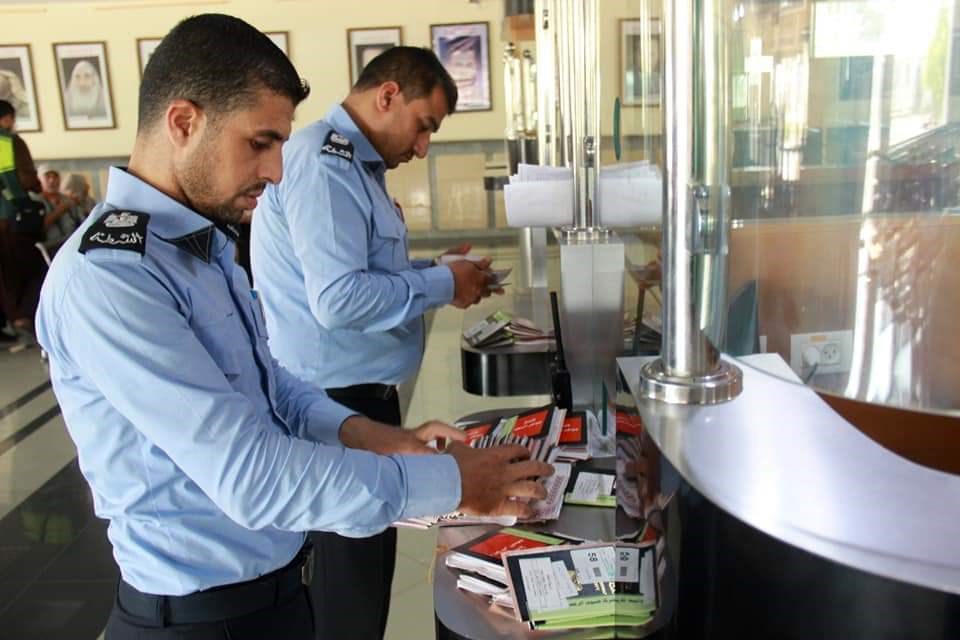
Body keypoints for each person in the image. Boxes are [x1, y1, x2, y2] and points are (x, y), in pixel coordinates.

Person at [35, 15, 551, 640]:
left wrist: (383, 438)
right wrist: (454, 484)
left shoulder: (199, 245)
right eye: (261, 142)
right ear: (184, 123)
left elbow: (273, 385)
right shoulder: (112, 277)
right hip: (199, 619)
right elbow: (252, 478)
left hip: (274, 594)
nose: (278, 170)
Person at [250, 46, 496, 639]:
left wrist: (436, 270)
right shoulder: (324, 162)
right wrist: (442, 284)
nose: (422, 148)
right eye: (423, 126)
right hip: (334, 407)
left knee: (366, 585)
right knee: (348, 600)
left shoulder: (357, 168)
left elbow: (365, 277)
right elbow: (338, 299)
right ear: (387, 95)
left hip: (363, 402)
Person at [0, 98, 45, 337]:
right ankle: (24, 317)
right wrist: (33, 192)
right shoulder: (8, 141)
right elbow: (18, 178)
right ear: (7, 118)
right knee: (29, 266)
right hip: (12, 217)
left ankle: (10, 320)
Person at [36, 164, 81, 254]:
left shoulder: (68, 199)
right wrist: (61, 209)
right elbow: (39, 228)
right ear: (39, 179)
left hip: (72, 246)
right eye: (47, 177)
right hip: (49, 249)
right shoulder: (36, 201)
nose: (52, 180)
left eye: (55, 176)